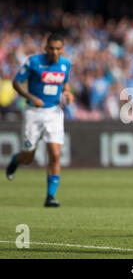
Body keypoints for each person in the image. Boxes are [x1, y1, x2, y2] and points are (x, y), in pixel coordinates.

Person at [5, 33, 74, 207]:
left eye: (58, 48)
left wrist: (67, 93)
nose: (55, 52)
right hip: (33, 112)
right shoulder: (33, 62)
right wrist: (31, 97)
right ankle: (16, 160)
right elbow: (16, 82)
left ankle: (50, 197)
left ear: (62, 49)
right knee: (28, 157)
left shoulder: (65, 64)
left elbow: (64, 84)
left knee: (55, 153)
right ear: (46, 48)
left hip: (54, 113)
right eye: (51, 48)